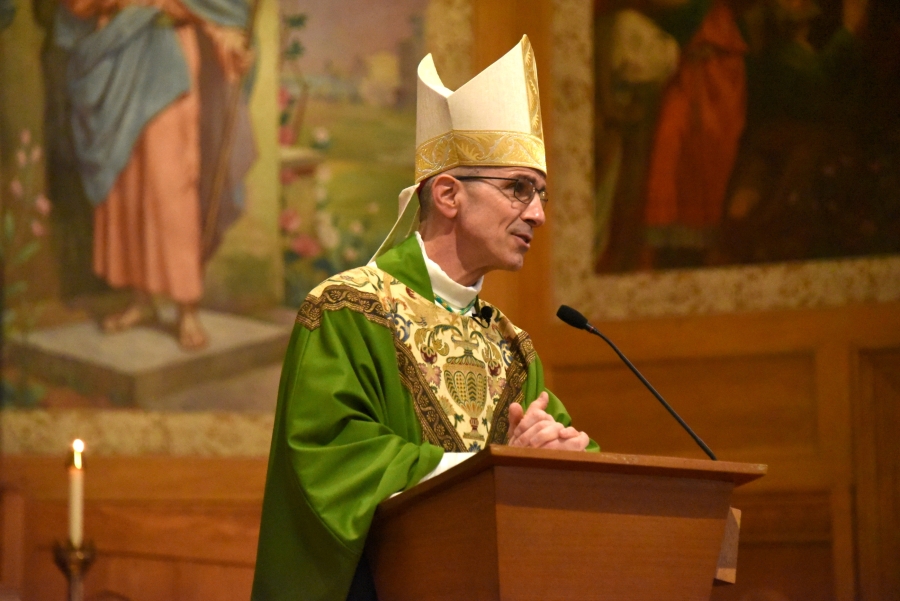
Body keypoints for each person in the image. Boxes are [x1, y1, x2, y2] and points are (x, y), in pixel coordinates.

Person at [251, 36, 598, 601]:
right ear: (447, 194)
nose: (537, 214)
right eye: (518, 189)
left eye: (540, 195)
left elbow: (561, 461)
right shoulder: (347, 310)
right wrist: (494, 469)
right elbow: (333, 457)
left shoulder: (512, 347)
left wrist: (562, 457)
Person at [54, 0, 256, 349]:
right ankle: (141, 300)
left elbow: (211, 7)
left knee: (171, 185)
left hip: (168, 65)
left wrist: (227, 40)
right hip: (114, 59)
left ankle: (186, 307)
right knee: (126, 186)